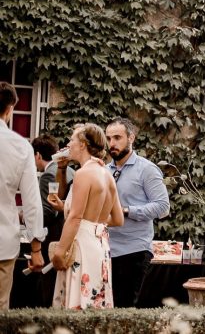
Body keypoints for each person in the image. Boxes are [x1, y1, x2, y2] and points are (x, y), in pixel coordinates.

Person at [49, 123, 124, 309]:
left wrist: (60, 251)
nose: (69, 143)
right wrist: (93, 223)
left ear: (82, 144)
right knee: (95, 306)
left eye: (72, 139)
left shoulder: (84, 173)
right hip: (100, 246)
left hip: (81, 245)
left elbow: (75, 217)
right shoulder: (107, 175)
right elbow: (117, 219)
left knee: (76, 305)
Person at [105, 117, 170, 307]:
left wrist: (126, 210)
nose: (112, 144)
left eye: (117, 137)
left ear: (131, 138)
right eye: (109, 139)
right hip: (105, 249)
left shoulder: (147, 169)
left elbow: (162, 206)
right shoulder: (104, 170)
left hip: (134, 250)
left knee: (124, 310)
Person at [0, 82, 45, 310]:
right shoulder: (20, 147)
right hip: (2, 243)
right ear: (9, 110)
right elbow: (31, 202)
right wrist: (36, 249)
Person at [33, 134, 75, 306]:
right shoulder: (72, 171)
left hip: (54, 237)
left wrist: (25, 218)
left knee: (49, 286)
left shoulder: (47, 176)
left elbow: (50, 212)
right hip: (68, 235)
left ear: (37, 155)